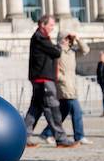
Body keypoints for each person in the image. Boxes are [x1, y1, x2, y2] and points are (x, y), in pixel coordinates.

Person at [23, 15, 75, 148]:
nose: (52, 28)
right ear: (42, 25)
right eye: (51, 25)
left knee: (35, 109)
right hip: (43, 79)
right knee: (52, 108)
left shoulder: (41, 37)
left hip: (41, 78)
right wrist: (60, 46)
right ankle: (61, 138)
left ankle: (22, 137)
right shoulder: (40, 38)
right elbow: (56, 53)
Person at [49, 32, 90, 144]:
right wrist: (62, 79)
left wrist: (77, 39)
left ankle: (47, 133)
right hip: (64, 85)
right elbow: (55, 68)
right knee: (77, 111)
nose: (68, 41)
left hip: (72, 85)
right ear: (61, 39)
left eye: (69, 39)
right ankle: (79, 135)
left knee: (63, 112)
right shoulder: (57, 51)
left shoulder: (72, 52)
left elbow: (86, 50)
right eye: (66, 38)